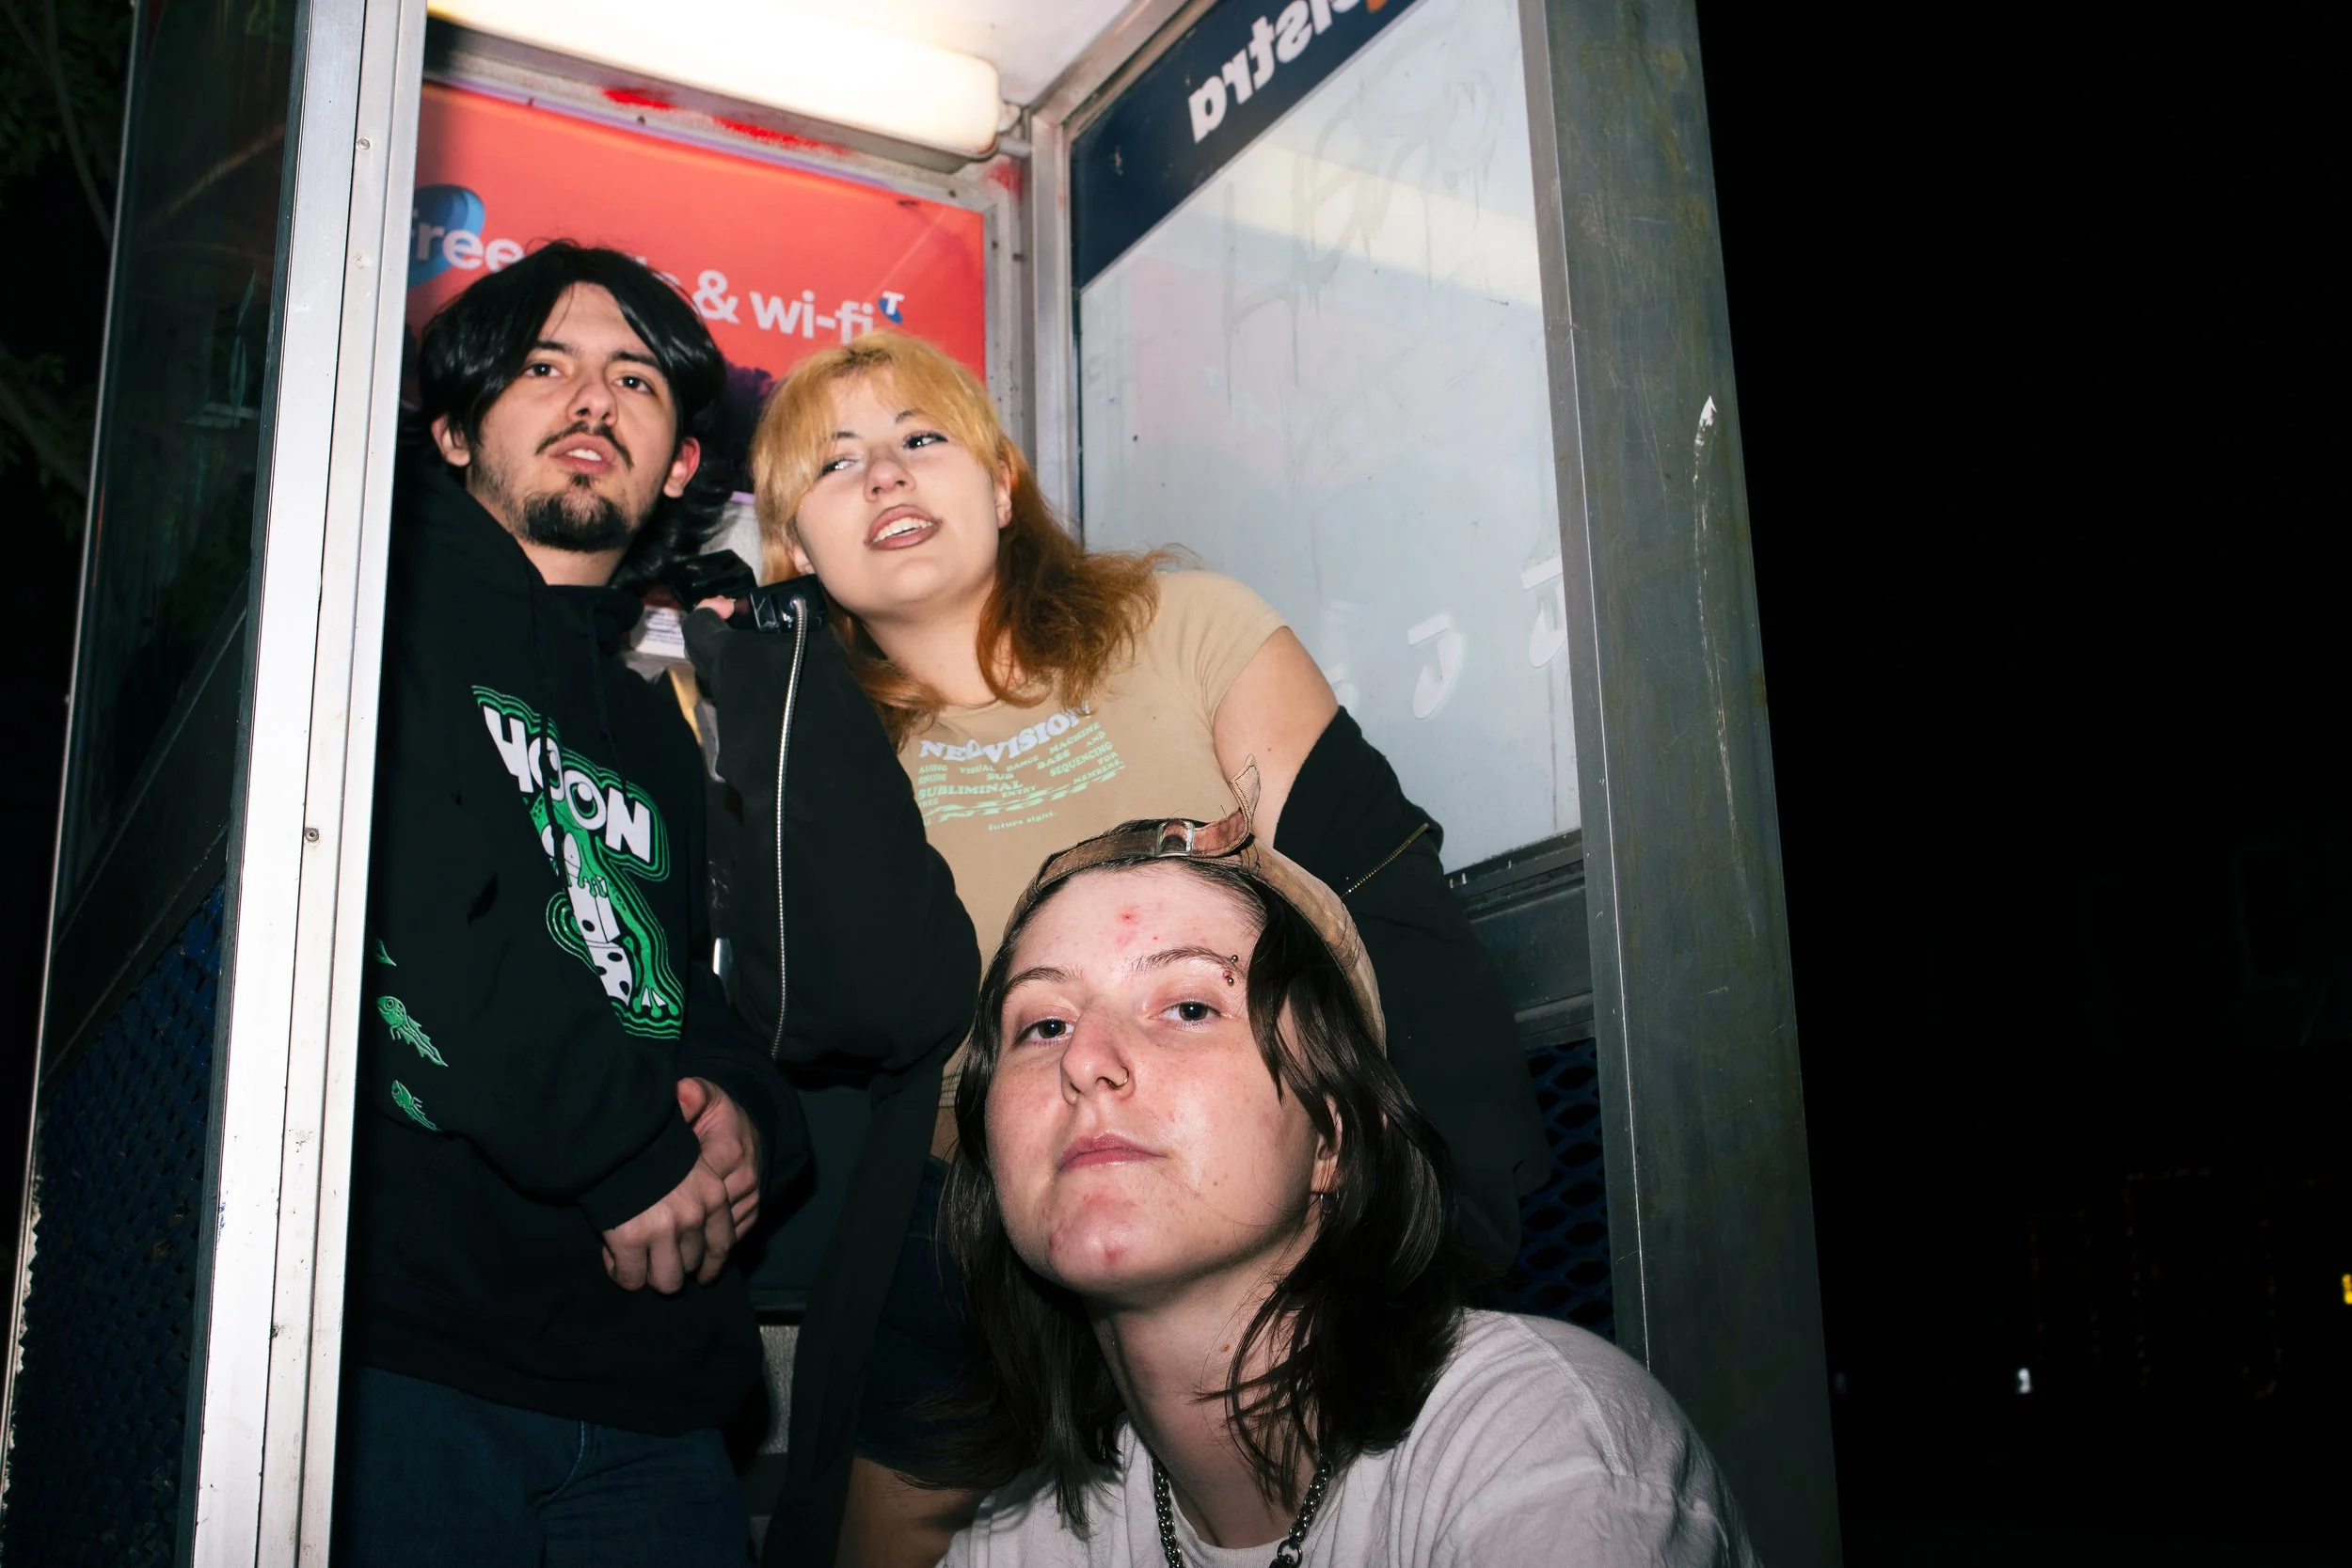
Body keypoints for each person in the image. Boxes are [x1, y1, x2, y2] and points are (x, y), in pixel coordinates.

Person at [704, 329, 1552, 1567]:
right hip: (980, 1196)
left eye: (920, 439)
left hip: (1249, 1159)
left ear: (999, 486)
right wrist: (764, 676)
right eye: (834, 466)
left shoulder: (1185, 623)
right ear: (796, 550)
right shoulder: (815, 745)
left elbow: (1374, 899)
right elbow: (827, 1011)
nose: (885, 476)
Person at [336, 243, 823, 1566]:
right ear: (449, 429)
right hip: (402, 1361)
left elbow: (693, 999)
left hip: (654, 1395)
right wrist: (627, 1150)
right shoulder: (372, 611)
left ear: (679, 467)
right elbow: (414, 903)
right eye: (545, 367)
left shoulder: (657, 729)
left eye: (633, 379)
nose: (592, 399)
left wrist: (743, 1132)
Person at [935, 814, 1758, 1566]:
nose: (1084, 1061)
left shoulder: (1546, 1445)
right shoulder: (1019, 1542)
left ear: (1333, 1137)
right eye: (1043, 1024)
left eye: (1189, 1005)